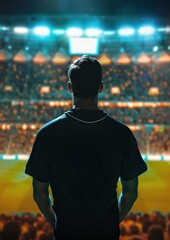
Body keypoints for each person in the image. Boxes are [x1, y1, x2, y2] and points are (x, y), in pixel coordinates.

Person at [25, 55, 147, 240]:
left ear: (70, 87)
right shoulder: (122, 133)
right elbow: (130, 191)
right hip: (107, 233)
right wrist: (114, 220)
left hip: (67, 233)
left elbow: (39, 193)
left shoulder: (47, 133)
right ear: (101, 87)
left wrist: (55, 221)